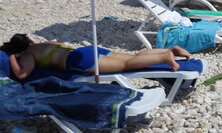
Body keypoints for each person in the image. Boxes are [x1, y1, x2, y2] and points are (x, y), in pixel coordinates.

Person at [1, 34, 193, 79]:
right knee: (131, 57)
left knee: (128, 65)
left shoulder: (28, 54)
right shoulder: (44, 44)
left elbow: (22, 74)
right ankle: (169, 51)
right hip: (84, 52)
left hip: (79, 62)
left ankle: (163, 58)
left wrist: (12, 57)